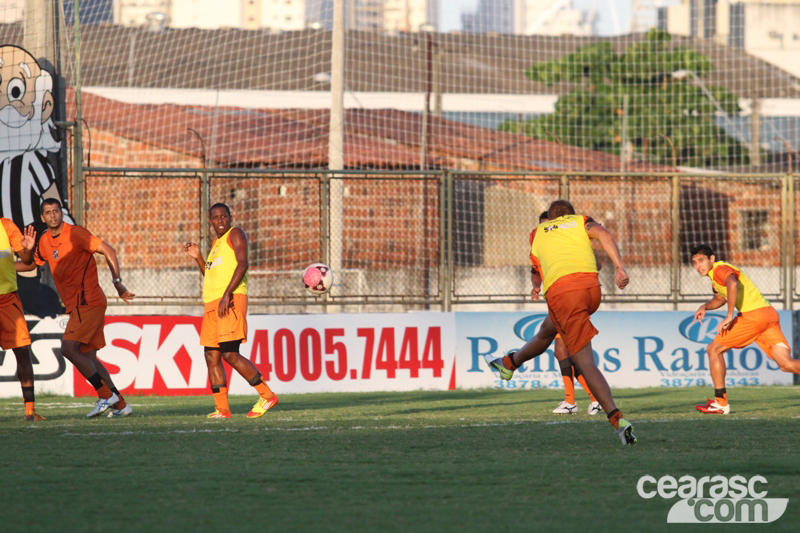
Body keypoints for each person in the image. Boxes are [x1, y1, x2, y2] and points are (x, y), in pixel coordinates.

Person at [485, 199, 636, 445]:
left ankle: (618, 420)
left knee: (585, 362)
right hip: (592, 291)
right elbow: (604, 236)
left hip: (565, 295)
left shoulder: (536, 234)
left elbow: (539, 270)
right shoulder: (581, 222)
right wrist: (620, 268)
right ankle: (508, 363)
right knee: (547, 332)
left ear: (551, 218)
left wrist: (539, 288)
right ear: (570, 215)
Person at [33, 198, 135, 418]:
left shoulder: (76, 233)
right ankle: (120, 405)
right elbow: (32, 263)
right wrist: (20, 255)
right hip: (80, 305)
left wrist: (117, 282)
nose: (53, 215)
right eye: (48, 212)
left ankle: (105, 395)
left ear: (62, 213)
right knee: (89, 355)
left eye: (56, 211)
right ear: (43, 217)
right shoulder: (43, 241)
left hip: (88, 301)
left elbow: (109, 251)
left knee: (69, 349)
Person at [183, 203, 278, 419]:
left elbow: (243, 264)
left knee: (230, 354)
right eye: (215, 218)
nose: (220, 221)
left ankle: (267, 395)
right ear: (210, 222)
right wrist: (198, 257)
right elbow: (211, 276)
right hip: (212, 303)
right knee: (211, 355)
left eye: (223, 216)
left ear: (230, 217)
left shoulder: (236, 234)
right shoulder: (216, 244)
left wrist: (227, 294)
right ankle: (223, 409)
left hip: (231, 299)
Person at [690, 244, 800, 414]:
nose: (698, 266)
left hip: (753, 316)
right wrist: (705, 306)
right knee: (786, 364)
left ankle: (721, 403)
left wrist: (729, 316)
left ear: (711, 259)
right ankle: (720, 402)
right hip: (768, 315)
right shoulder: (715, 277)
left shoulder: (720, 269)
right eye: (695, 262)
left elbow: (732, 285)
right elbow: (721, 297)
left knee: (714, 350)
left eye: (701, 260)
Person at [531, 211, 601, 416]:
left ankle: (575, 401)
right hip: (557, 301)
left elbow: (597, 263)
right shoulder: (540, 245)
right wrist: (536, 286)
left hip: (570, 299)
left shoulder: (568, 244)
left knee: (564, 351)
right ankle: (588, 399)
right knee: (564, 352)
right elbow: (535, 272)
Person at [0, 217, 44, 420]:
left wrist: (27, 249)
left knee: (22, 351)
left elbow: (27, 262)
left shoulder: (6, 225)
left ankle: (30, 410)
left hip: (8, 299)